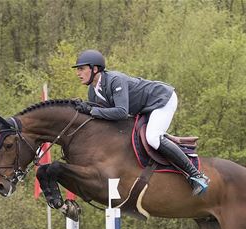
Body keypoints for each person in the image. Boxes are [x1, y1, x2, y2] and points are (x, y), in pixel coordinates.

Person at [71, 49, 210, 196]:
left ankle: (196, 175)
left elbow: (121, 112)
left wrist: (92, 110)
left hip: (161, 99)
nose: (78, 73)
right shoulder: (93, 91)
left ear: (94, 69)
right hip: (144, 107)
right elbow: (103, 118)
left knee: (153, 138)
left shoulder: (114, 80)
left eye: (81, 69)